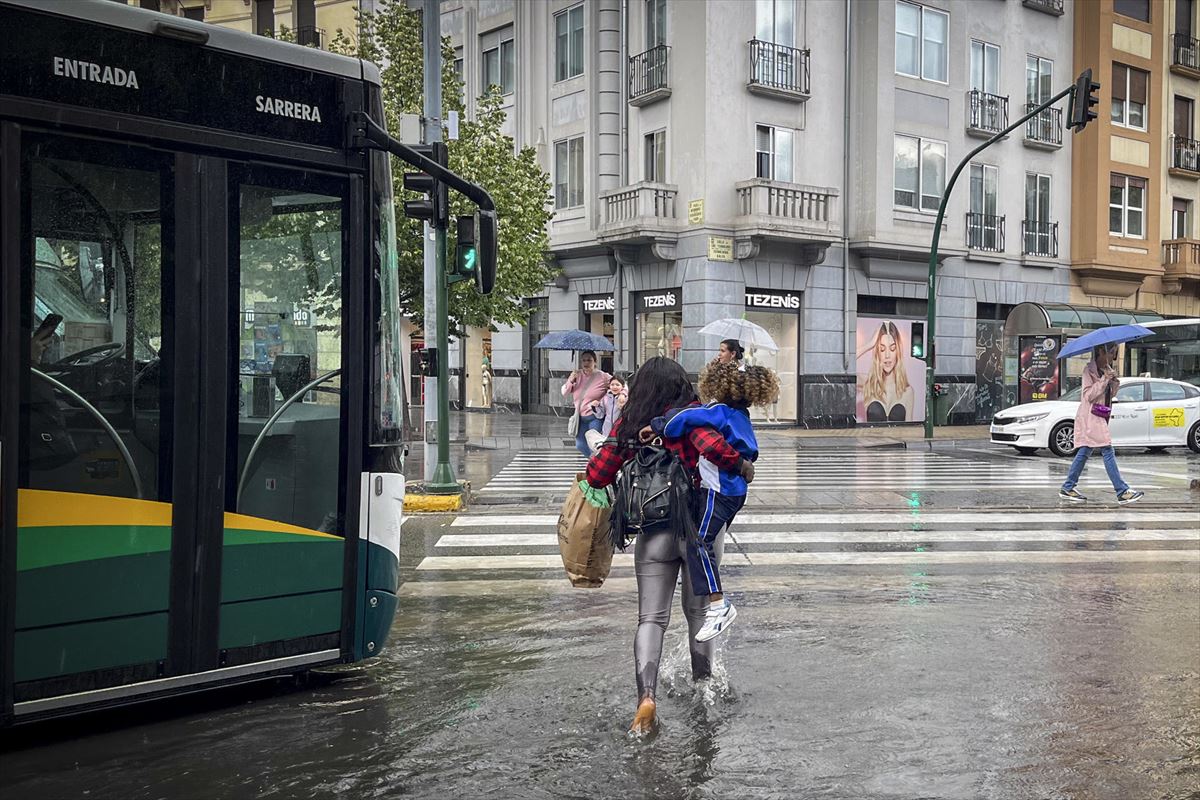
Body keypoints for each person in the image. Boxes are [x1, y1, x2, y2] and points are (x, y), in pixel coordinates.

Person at [584, 357, 754, 734]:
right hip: (698, 532)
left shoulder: (629, 424)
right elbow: (712, 448)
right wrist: (741, 464)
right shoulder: (693, 416)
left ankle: (646, 697)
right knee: (700, 616)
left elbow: (597, 477)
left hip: (653, 532)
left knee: (651, 619)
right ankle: (705, 685)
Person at [647, 361, 779, 643]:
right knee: (701, 543)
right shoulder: (739, 414)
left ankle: (719, 605)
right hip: (734, 492)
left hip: (718, 491)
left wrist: (656, 424)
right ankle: (711, 597)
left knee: (698, 543)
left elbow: (673, 424)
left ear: (718, 387)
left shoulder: (717, 412)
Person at [1059, 344, 1144, 505]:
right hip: (1091, 417)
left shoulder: (1104, 370)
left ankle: (1068, 486)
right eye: (1111, 353)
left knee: (1085, 450)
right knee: (1107, 449)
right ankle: (1122, 491)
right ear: (1100, 352)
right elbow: (1089, 395)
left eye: (1114, 353)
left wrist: (1113, 381)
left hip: (1100, 416)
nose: (1112, 357)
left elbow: (1109, 394)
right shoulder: (1088, 371)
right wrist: (1104, 379)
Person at [858, 321, 915, 422]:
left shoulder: (907, 391)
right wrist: (869, 344)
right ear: (877, 354)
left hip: (899, 438)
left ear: (897, 352)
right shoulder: (868, 383)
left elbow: (908, 431)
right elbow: (839, 368)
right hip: (871, 438)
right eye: (882, 349)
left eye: (892, 349)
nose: (887, 355)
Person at [561, 350, 611, 457]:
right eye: (583, 360)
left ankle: (594, 466)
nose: (586, 363)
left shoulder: (603, 376)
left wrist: (602, 401)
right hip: (580, 418)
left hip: (595, 417)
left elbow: (619, 386)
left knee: (593, 444)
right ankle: (595, 461)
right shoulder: (577, 375)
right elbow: (565, 392)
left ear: (595, 362)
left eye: (589, 360)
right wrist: (570, 380)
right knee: (580, 445)